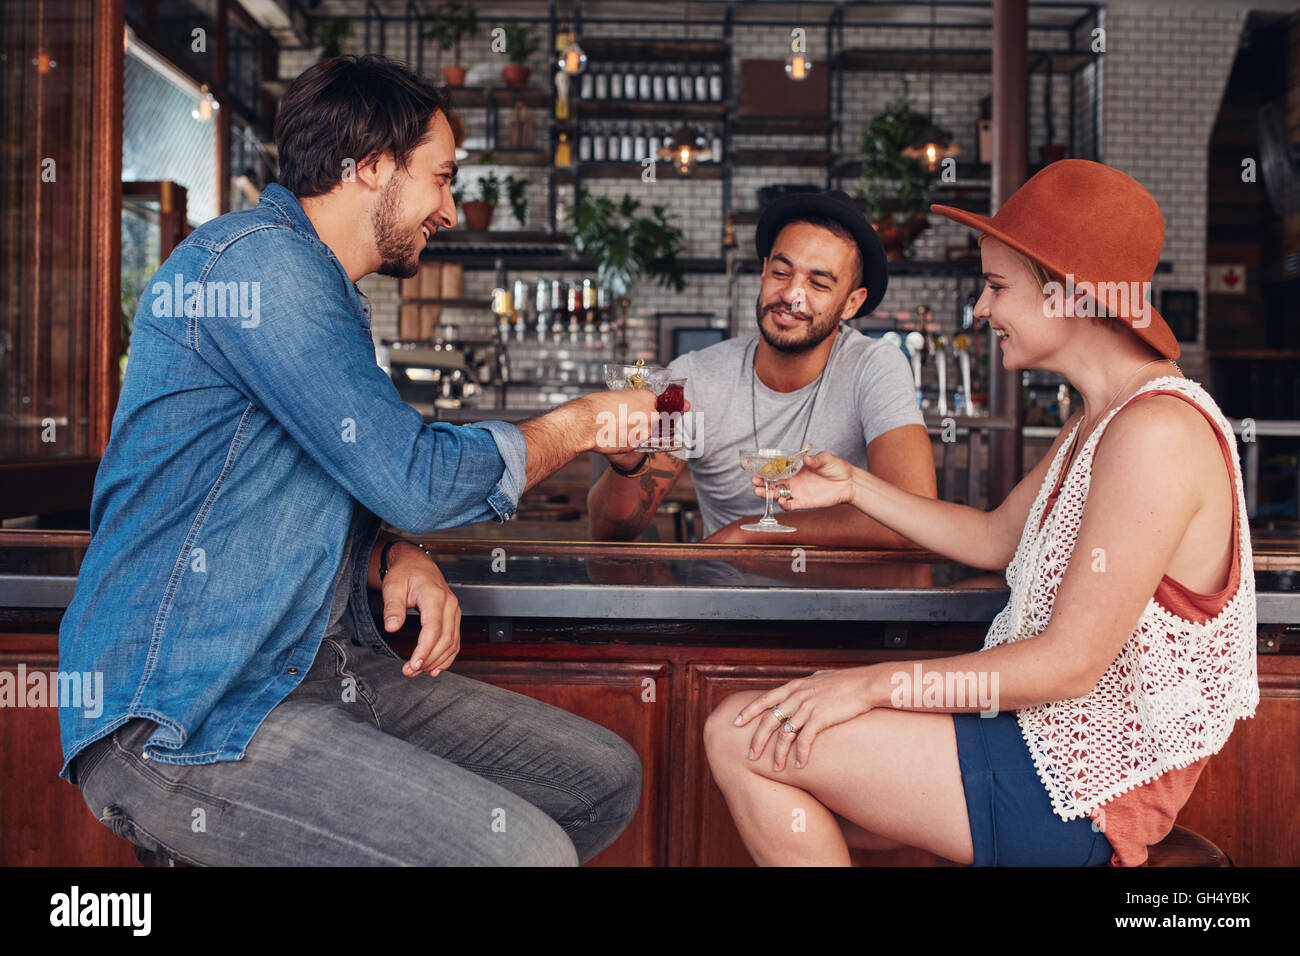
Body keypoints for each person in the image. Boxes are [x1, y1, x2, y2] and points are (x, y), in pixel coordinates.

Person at [58, 55, 666, 866]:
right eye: (442, 179)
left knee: (600, 780)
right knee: (523, 856)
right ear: (372, 166)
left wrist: (387, 550)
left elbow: (302, 477)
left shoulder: (323, 289)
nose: (451, 209)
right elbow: (411, 477)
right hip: (187, 706)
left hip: (318, 674)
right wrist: (585, 422)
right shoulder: (259, 266)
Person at [703, 159, 1259, 866]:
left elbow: (1068, 666)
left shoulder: (1157, 433)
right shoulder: (1100, 418)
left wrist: (863, 686)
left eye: (997, 286)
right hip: (1034, 743)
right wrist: (855, 486)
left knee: (742, 736)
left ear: (1066, 295)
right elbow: (997, 537)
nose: (981, 310)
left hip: (1080, 790)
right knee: (772, 742)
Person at [587, 189, 936, 545]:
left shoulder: (873, 366)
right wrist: (627, 467)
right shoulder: (698, 379)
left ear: (851, 303)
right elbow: (609, 532)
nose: (791, 295)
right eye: (782, 272)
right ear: (764, 272)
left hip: (846, 595)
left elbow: (915, 520)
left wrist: (747, 535)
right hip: (730, 596)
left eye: (818, 283)